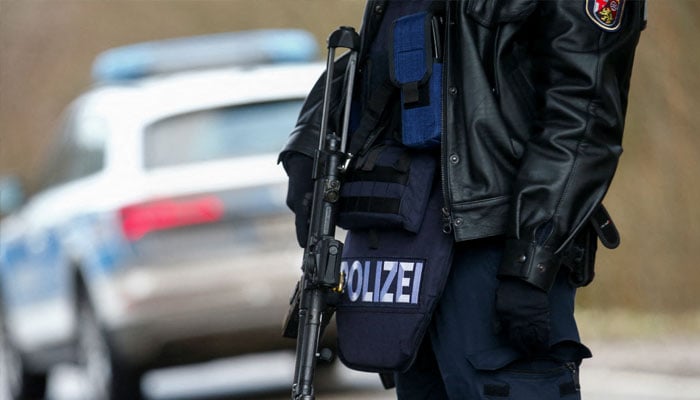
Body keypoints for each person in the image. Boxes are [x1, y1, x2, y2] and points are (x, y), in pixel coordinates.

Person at [279, 0, 645, 398]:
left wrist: (532, 255)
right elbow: (383, 50)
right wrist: (310, 139)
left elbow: (583, 114)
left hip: (498, 243)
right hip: (406, 237)